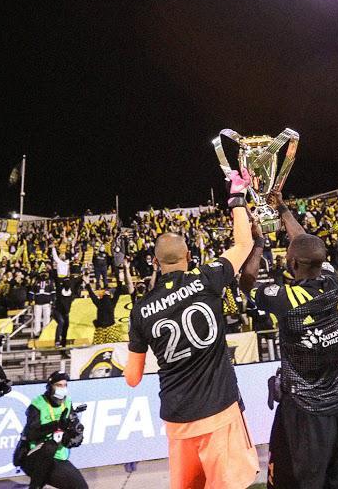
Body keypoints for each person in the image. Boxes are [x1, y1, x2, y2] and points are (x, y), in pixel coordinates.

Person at [124, 168, 259, 489]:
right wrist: (237, 197)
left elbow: (132, 379)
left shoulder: (141, 310)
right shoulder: (206, 278)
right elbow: (244, 243)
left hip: (177, 420)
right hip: (219, 413)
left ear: (155, 263)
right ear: (188, 255)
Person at [243, 190, 338, 489]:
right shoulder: (335, 283)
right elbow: (307, 243)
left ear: (293, 264)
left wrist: (258, 245)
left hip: (302, 416)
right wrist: (282, 208)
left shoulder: (285, 299)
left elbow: (247, 283)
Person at [19, 371, 87, 489]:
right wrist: (56, 425)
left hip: (58, 457)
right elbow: (31, 434)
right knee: (49, 446)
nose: (63, 389)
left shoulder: (67, 403)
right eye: (59, 385)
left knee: (80, 487)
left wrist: (74, 435)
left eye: (65, 385)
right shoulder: (38, 404)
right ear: (50, 387)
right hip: (34, 455)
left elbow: (70, 436)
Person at [30, 271, 56, 339]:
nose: (43, 275)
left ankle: (45, 332)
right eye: (42, 274)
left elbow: (53, 292)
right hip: (37, 303)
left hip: (47, 303)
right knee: (37, 318)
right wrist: (31, 300)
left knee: (47, 318)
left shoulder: (49, 282)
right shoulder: (36, 282)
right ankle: (37, 333)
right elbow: (31, 292)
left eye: (45, 274)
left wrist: (52, 301)